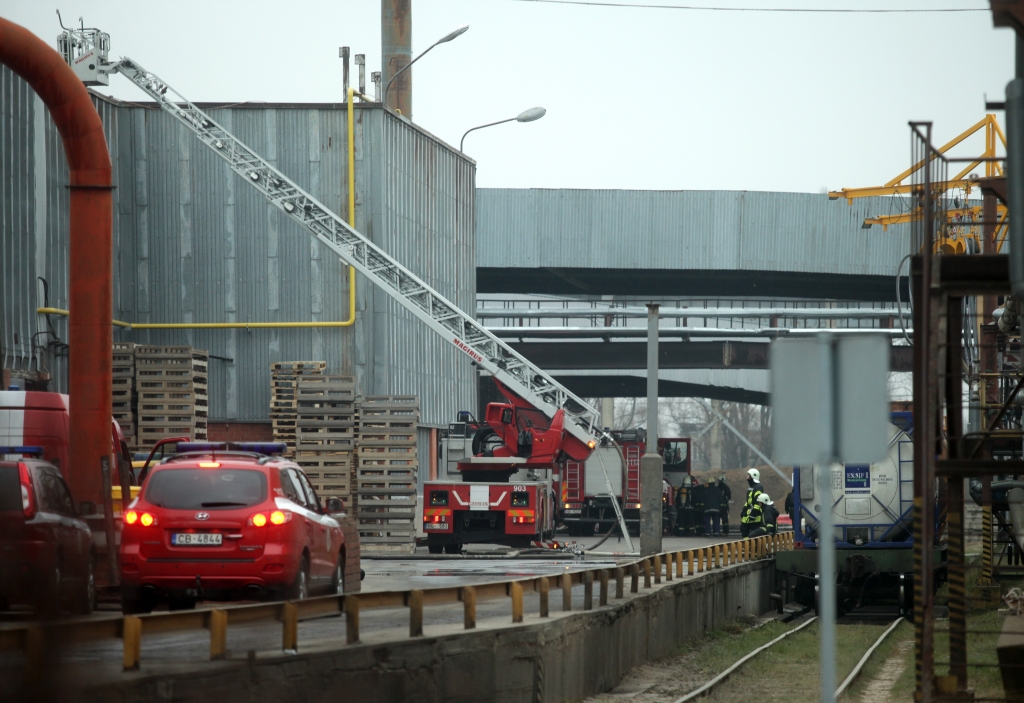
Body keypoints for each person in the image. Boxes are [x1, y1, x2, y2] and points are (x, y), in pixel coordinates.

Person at [740, 468, 764, 537]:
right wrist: (744, 509)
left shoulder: (758, 487)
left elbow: (758, 502)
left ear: (753, 476)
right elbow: (749, 501)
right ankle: (746, 546)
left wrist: (753, 514)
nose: (746, 477)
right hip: (748, 514)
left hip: (755, 517)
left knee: (753, 535)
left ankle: (753, 547)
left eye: (748, 475)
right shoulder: (751, 487)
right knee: (743, 529)